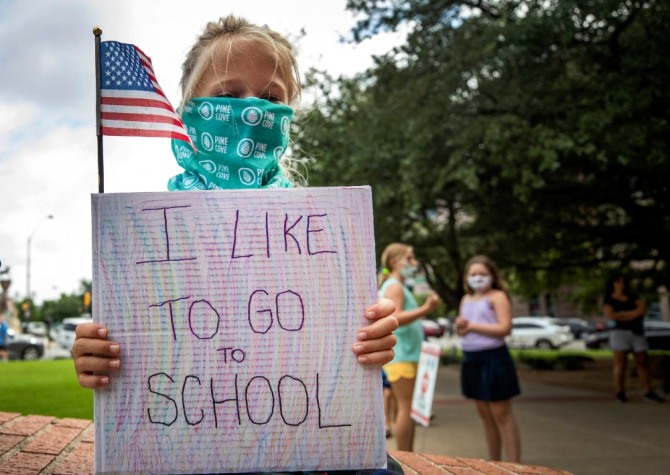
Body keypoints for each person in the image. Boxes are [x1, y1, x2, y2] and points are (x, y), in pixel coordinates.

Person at [73, 15, 402, 475]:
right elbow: (126, 350)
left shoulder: (321, 235)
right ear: (188, 111)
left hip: (308, 451)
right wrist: (96, 353)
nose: (252, 110)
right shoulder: (146, 240)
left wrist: (372, 335)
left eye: (271, 98)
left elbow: (342, 345)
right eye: (228, 95)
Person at [454, 255, 521, 463]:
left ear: (492, 275)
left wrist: (472, 326)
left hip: (495, 359)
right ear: (466, 278)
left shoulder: (498, 296)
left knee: (501, 413)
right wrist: (460, 327)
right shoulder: (465, 299)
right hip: (471, 358)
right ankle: (494, 463)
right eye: (473, 274)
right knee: (485, 415)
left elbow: (504, 328)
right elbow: (463, 332)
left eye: (483, 274)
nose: (478, 278)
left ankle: (514, 465)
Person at [378, 243, 440, 452]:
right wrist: (426, 308)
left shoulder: (397, 285)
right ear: (395, 262)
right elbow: (394, 317)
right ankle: (407, 458)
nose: (414, 262)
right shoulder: (394, 285)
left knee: (405, 407)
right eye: (410, 258)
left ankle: (406, 456)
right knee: (406, 407)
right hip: (402, 354)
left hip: (406, 354)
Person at [603, 274, 664, 403]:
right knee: (620, 362)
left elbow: (641, 310)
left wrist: (624, 314)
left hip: (636, 332)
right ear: (613, 284)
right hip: (619, 333)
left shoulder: (633, 297)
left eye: (623, 282)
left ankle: (647, 391)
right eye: (618, 282)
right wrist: (631, 314)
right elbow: (612, 316)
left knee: (642, 361)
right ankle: (620, 391)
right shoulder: (609, 299)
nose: (621, 285)